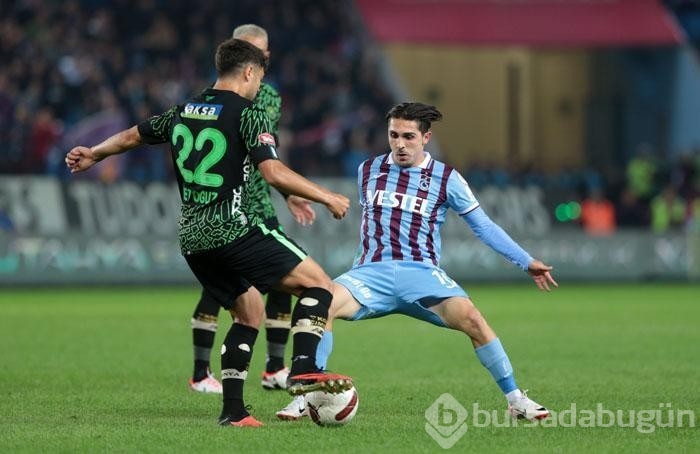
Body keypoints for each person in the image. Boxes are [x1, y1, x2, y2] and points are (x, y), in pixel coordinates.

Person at [65, 38, 354, 428]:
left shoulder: (184, 110)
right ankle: (302, 369)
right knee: (320, 287)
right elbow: (272, 171)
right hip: (232, 228)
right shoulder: (249, 113)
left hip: (192, 238)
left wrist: (94, 153)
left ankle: (233, 412)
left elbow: (133, 135)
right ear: (250, 72)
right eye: (259, 77)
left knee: (249, 313)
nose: (258, 85)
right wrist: (326, 196)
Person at [279, 102, 558, 421]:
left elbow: (483, 225)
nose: (400, 144)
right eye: (394, 135)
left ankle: (515, 399)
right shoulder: (368, 169)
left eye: (409, 136)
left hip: (423, 276)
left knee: (473, 319)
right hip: (370, 275)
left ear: (426, 137)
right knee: (320, 305)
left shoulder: (447, 178)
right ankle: (305, 395)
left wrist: (526, 261)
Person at [187, 24, 314, 395]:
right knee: (222, 288)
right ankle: (200, 371)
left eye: (261, 52)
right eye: (248, 51)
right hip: (227, 205)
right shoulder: (217, 98)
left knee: (280, 282)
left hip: (260, 200)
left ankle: (275, 367)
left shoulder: (270, 97)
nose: (257, 59)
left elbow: (269, 151)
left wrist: (288, 193)